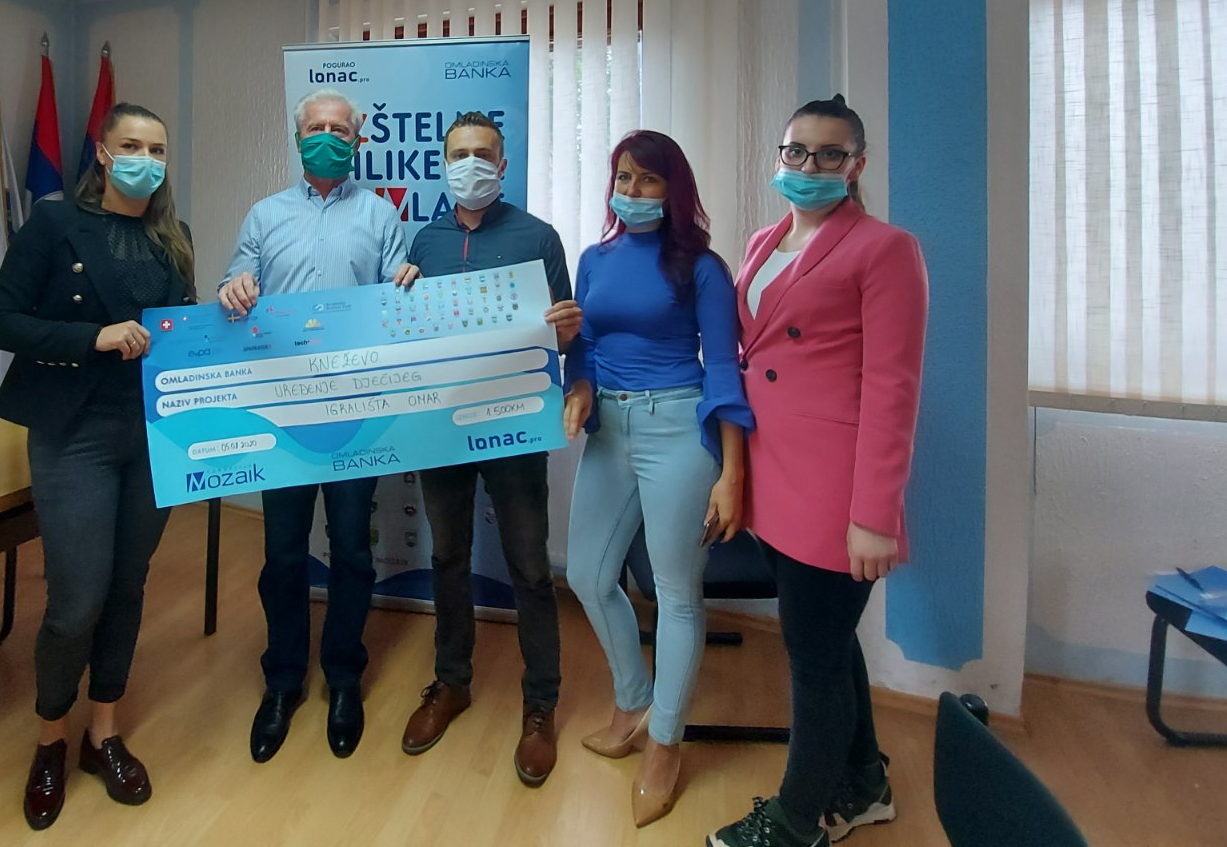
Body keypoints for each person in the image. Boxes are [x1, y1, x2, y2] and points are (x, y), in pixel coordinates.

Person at [708, 94, 928, 847]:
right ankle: (864, 784)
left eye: (830, 153)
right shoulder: (765, 239)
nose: (809, 165)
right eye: (796, 151)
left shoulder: (885, 249)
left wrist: (875, 514)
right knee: (827, 643)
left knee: (813, 661)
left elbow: (894, 387)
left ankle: (796, 823)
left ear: (856, 165)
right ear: (780, 157)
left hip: (836, 488)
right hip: (774, 475)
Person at [0, 102, 195, 832]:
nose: (146, 159)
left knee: (128, 585)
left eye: (157, 150)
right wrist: (91, 337)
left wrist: (229, 315)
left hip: (154, 435)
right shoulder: (53, 224)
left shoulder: (175, 236)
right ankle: (50, 739)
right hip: (75, 434)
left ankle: (103, 733)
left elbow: (181, 329)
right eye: (131, 145)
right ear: (102, 153)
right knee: (76, 599)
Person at [563, 129, 753, 828]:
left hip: (678, 428)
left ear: (673, 189)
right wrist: (580, 387)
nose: (633, 190)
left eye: (648, 179)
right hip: (609, 431)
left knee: (676, 593)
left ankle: (666, 743)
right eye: (624, 177)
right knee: (586, 575)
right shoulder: (594, 259)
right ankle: (634, 701)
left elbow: (725, 368)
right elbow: (583, 345)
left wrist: (732, 474)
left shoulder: (701, 267)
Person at [390, 112, 583, 787]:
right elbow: (409, 335)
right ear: (444, 165)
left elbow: (563, 338)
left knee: (530, 567)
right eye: (459, 154)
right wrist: (397, 302)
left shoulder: (538, 237)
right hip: (443, 427)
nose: (470, 164)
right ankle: (452, 682)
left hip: (515, 427)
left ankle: (540, 705)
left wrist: (566, 329)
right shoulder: (425, 239)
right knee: (448, 556)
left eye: (483, 154)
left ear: (502, 166)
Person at [219, 88, 407, 763]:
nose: (327, 136)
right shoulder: (265, 215)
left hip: (357, 413)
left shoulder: (382, 215)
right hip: (284, 415)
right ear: (298, 137)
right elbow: (235, 287)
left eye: (339, 128)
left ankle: (345, 678)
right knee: (283, 555)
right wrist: (232, 290)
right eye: (315, 127)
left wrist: (408, 284)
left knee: (352, 549)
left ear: (358, 139)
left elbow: (399, 299)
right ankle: (282, 681)